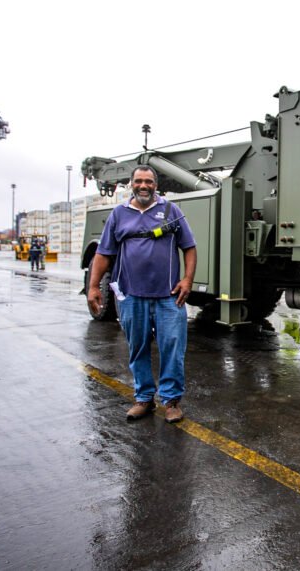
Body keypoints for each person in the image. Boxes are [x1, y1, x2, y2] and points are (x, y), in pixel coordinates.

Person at [87, 165, 197, 423]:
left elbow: (189, 247)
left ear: (155, 185)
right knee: (138, 348)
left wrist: (187, 280)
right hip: (131, 296)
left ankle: (171, 402)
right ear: (131, 184)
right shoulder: (119, 214)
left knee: (172, 348)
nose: (144, 185)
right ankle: (144, 399)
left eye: (149, 181)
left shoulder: (171, 211)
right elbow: (103, 253)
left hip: (169, 296)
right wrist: (93, 286)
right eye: (139, 181)